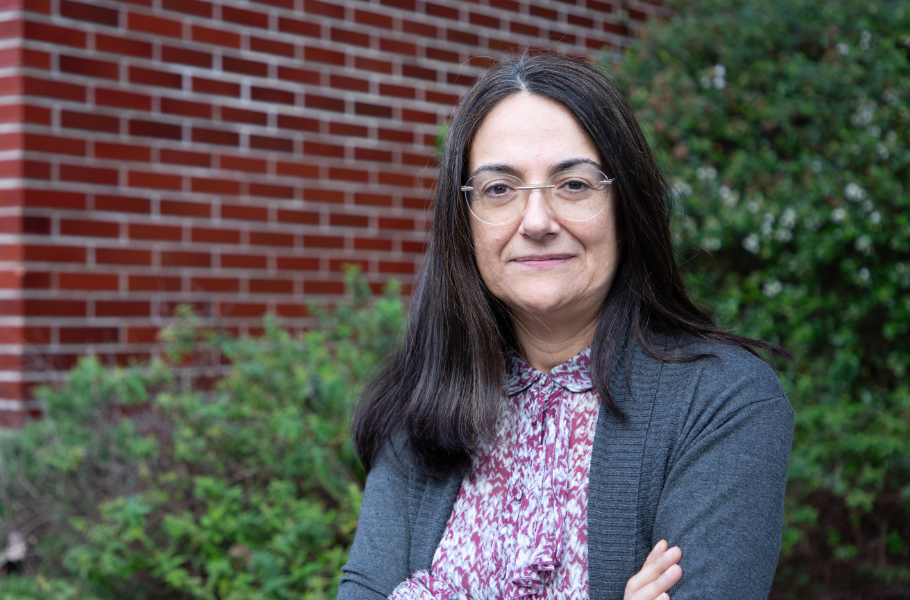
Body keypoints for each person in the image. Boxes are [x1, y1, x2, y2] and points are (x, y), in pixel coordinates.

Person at [337, 53, 794, 600]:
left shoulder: (722, 402)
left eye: (574, 185)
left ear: (626, 205)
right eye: (499, 189)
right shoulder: (425, 406)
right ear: (464, 222)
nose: (536, 222)